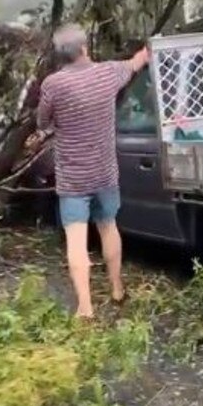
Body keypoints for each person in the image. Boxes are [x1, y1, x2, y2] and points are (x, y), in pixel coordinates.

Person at [36, 25, 150, 319]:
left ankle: (85, 308)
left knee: (76, 240)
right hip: (104, 173)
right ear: (85, 48)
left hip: (73, 178)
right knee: (108, 227)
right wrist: (149, 49)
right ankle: (116, 289)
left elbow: (42, 121)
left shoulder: (53, 85)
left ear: (60, 55)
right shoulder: (107, 73)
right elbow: (138, 62)